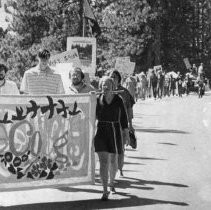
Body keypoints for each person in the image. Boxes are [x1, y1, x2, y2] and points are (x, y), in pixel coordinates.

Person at [94, 76, 129, 201]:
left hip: (115, 131)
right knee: (103, 161)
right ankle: (104, 190)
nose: (105, 86)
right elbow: (90, 115)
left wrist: (126, 134)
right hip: (101, 131)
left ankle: (112, 182)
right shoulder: (97, 99)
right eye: (103, 84)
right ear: (100, 87)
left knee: (113, 160)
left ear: (113, 86)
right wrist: (89, 97)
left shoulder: (118, 99)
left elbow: (124, 117)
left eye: (108, 84)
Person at [109, 70, 134, 177]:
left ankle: (119, 168)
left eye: (114, 77)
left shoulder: (124, 92)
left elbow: (129, 109)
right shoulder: (104, 91)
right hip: (108, 125)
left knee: (120, 148)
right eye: (110, 77)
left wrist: (130, 125)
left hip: (121, 125)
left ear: (119, 79)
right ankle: (111, 170)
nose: (112, 78)